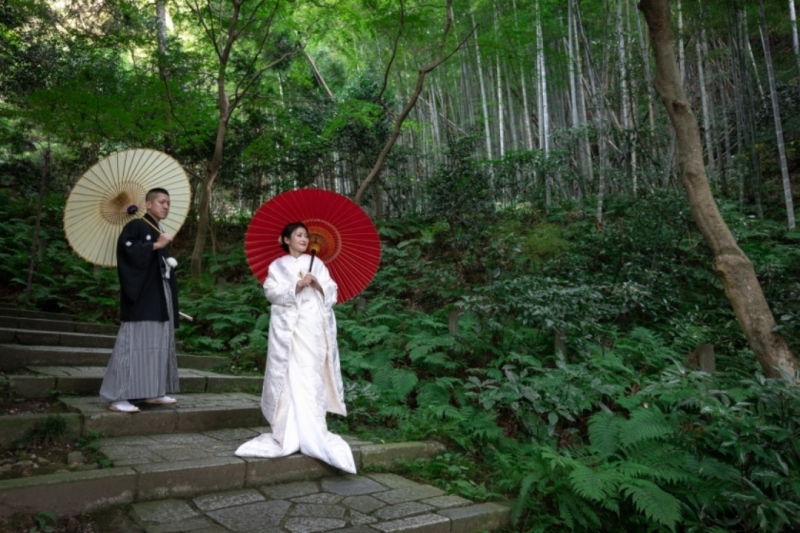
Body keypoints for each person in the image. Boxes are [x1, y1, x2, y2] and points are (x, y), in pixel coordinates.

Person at [235, 222, 356, 474]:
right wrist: (296, 286)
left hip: (312, 328)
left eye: (306, 236)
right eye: (298, 235)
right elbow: (271, 292)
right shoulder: (278, 266)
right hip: (289, 330)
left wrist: (317, 284)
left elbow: (332, 291)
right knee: (288, 375)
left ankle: (313, 430)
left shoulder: (319, 264)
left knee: (310, 375)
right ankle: (288, 430)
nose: (303, 239)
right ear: (286, 239)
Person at [99, 188, 180, 413]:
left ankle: (152, 391)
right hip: (142, 296)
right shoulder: (135, 226)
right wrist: (156, 245)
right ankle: (118, 396)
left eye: (168, 203)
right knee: (134, 343)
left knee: (157, 343)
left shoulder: (158, 229)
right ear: (148, 204)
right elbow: (127, 253)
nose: (166, 206)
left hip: (159, 295)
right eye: (162, 202)